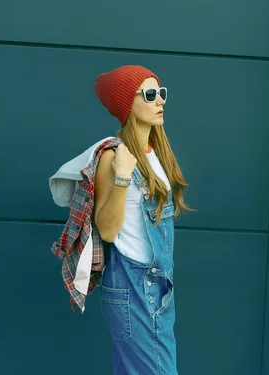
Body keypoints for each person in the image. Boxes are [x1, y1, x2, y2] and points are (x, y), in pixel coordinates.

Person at [92, 65, 192, 374]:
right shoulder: (113, 156)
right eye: (149, 95)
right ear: (126, 103)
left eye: (161, 93)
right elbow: (107, 230)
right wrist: (122, 176)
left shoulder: (156, 153)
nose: (160, 100)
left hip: (158, 288)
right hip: (135, 288)